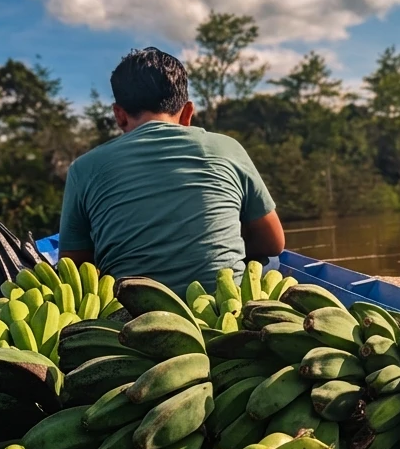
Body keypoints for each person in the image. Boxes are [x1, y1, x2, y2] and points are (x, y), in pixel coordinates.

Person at [58, 47, 284, 292]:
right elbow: (273, 242)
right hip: (221, 304)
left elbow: (74, 265)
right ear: (188, 113)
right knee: (271, 261)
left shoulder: (83, 168)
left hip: (130, 308)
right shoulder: (228, 148)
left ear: (119, 115)